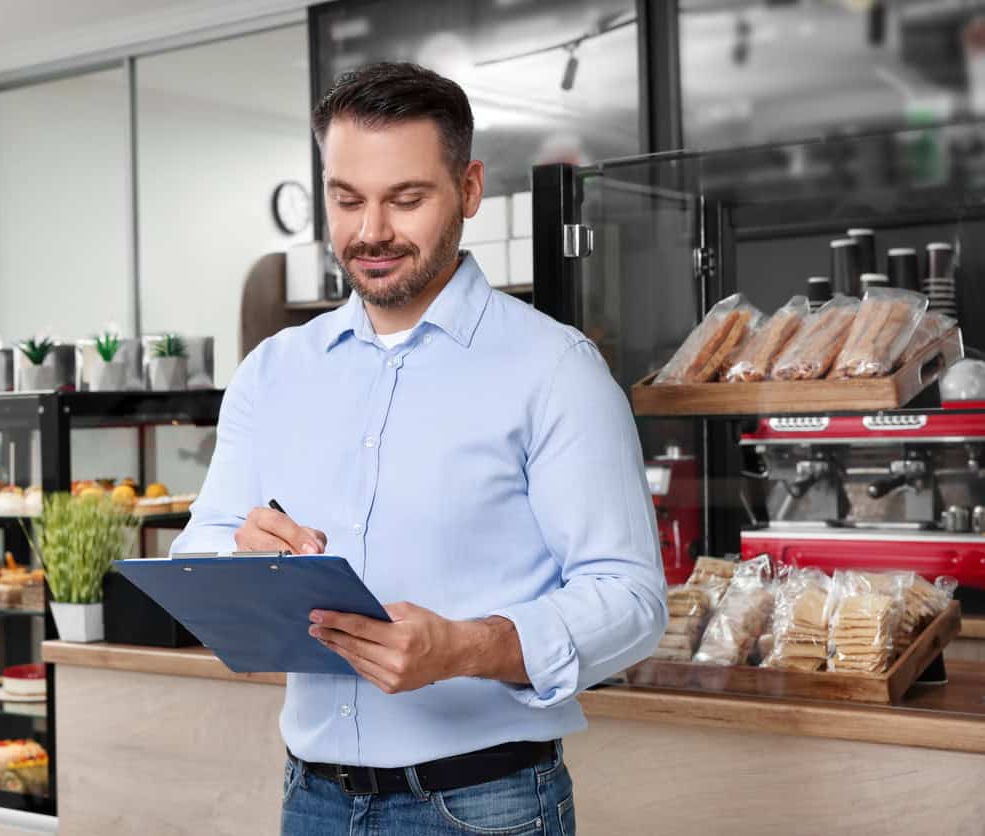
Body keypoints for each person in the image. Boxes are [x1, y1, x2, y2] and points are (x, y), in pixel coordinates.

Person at [171, 61, 667, 836]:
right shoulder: (274, 370)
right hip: (312, 800)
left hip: (484, 807)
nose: (370, 232)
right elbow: (195, 554)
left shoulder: (553, 368)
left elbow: (631, 601)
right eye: (346, 200)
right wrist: (240, 557)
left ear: (467, 189)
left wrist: (467, 648)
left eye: (405, 199)